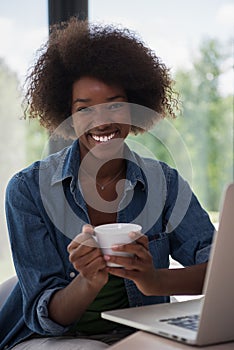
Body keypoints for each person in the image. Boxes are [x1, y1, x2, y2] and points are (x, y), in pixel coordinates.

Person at [0, 18, 215, 350]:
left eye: (116, 104)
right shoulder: (27, 190)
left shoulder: (164, 183)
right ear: (67, 115)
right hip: (51, 339)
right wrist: (87, 282)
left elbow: (219, 269)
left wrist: (153, 280)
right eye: (85, 109)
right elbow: (46, 317)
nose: (103, 121)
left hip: (138, 336)